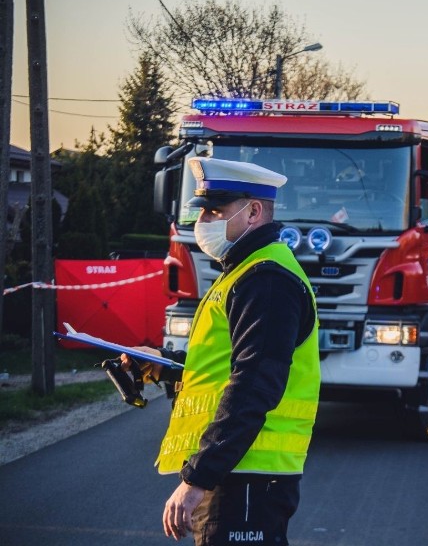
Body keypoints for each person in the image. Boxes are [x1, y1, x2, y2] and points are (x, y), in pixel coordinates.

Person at [124, 157, 320, 545]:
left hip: (248, 474)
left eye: (217, 210)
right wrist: (164, 367)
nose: (205, 221)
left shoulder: (266, 279)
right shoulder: (245, 271)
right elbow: (225, 367)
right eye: (204, 211)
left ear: (254, 212)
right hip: (240, 471)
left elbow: (253, 383)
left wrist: (198, 478)